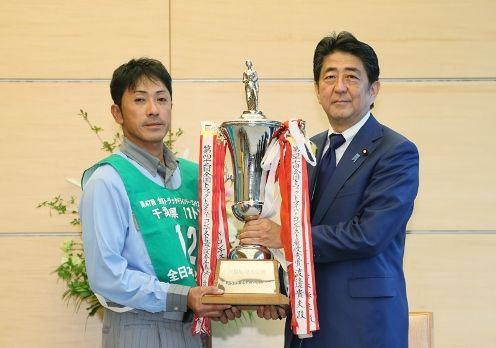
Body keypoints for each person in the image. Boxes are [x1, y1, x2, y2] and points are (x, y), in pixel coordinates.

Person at [239, 32, 419, 348]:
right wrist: (278, 289)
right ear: (317, 90)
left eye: (351, 77)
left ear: (373, 89)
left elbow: (368, 235)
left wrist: (283, 236)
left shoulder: (395, 152)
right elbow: (300, 231)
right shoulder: (305, 150)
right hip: (306, 328)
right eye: (329, 77)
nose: (339, 87)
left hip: (363, 326)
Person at [80, 58, 239, 348]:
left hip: (196, 329)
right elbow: (106, 275)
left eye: (161, 99)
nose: (153, 109)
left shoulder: (195, 176)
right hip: (139, 328)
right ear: (117, 113)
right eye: (140, 100)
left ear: (171, 108)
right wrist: (182, 296)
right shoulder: (107, 181)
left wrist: (229, 293)